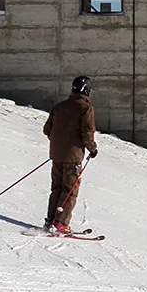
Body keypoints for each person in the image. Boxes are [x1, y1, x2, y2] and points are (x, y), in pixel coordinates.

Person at [41, 75, 99, 233]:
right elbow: (87, 133)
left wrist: (60, 143)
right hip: (73, 157)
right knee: (70, 190)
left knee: (57, 188)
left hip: (56, 155)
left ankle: (50, 221)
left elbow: (47, 130)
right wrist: (92, 149)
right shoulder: (86, 108)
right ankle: (60, 224)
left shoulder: (59, 107)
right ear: (86, 90)